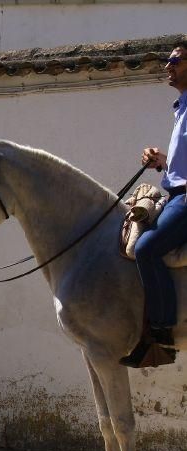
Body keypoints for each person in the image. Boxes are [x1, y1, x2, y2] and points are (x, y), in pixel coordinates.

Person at [121, 43, 187, 366]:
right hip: (176, 194)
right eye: (167, 61)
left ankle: (162, 331)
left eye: (174, 60)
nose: (167, 66)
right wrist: (159, 160)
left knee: (145, 248)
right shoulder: (181, 108)